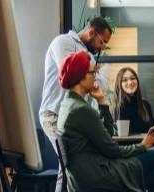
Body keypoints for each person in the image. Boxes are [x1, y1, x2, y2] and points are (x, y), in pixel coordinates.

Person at [57, 51, 154, 192]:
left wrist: (101, 101)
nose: (95, 77)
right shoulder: (81, 110)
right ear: (81, 76)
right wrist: (143, 145)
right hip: (97, 175)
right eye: (93, 73)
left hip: (84, 175)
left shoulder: (68, 105)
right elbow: (112, 149)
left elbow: (107, 135)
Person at [39, 17, 113, 191]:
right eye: (101, 42)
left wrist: (94, 72)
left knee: (72, 166)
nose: (102, 47)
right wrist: (93, 71)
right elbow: (71, 75)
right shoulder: (63, 42)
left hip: (74, 119)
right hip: (53, 114)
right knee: (68, 164)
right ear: (91, 31)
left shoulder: (87, 55)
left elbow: (98, 86)